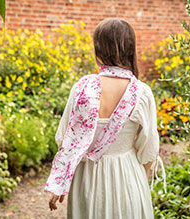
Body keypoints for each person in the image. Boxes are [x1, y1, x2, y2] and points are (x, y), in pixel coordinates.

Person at [44, 18, 166, 219]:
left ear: (98, 50)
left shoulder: (82, 88)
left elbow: (63, 138)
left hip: (87, 182)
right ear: (131, 50)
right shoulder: (142, 93)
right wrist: (140, 184)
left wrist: (61, 181)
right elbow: (149, 150)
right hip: (128, 178)